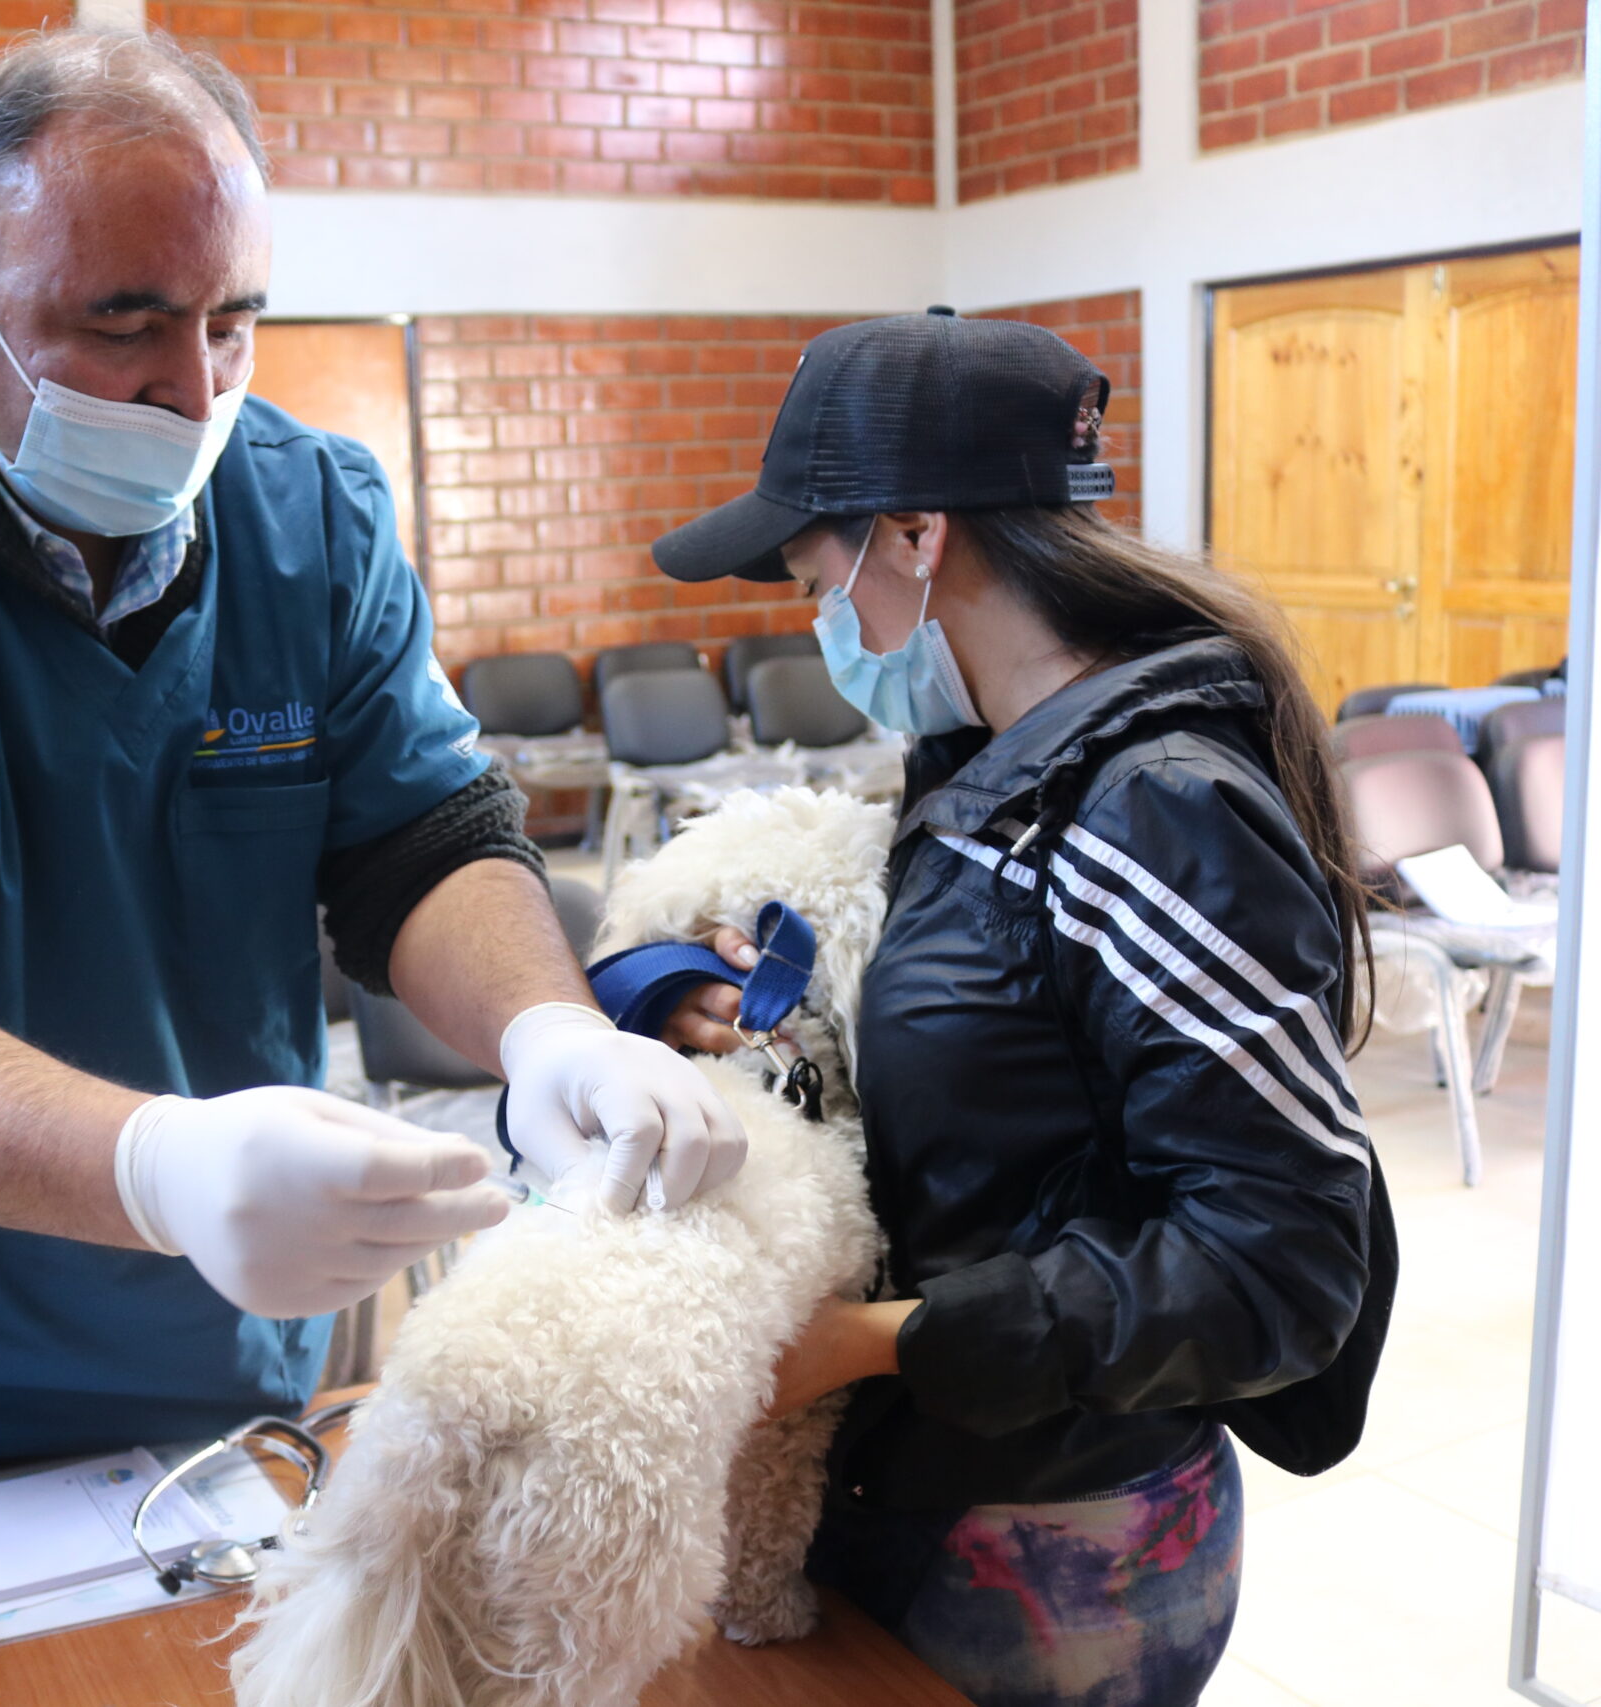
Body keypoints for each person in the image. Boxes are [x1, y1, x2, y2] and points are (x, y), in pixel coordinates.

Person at [0, 27, 745, 1509]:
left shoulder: (310, 511)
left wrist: (550, 1036)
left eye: (233, 322)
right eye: (128, 322)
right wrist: (161, 1170)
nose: (192, 391)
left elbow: (419, 838)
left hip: (212, 1321)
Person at [650, 309, 1397, 1707]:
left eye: (820, 570)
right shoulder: (987, 765)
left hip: (1056, 1542)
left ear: (917, 535)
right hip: (926, 1482)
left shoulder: (1154, 811)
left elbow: (1280, 1266)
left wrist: (875, 1344)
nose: (824, 620)